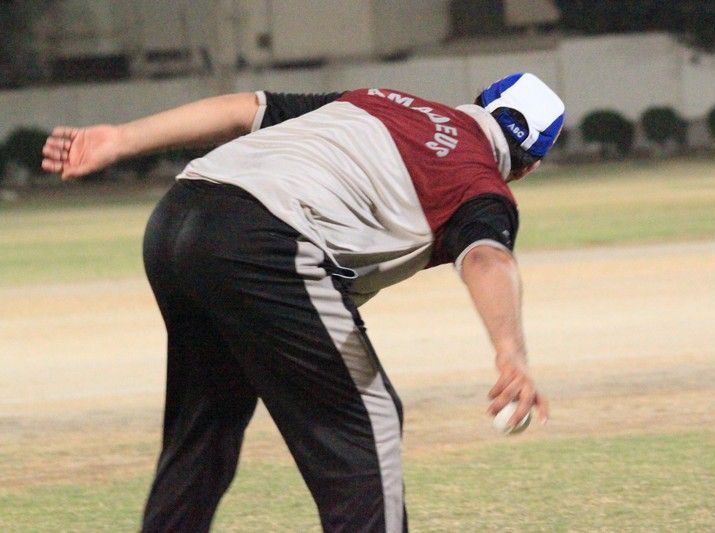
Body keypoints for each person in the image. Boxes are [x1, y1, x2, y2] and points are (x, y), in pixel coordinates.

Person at [41, 72, 563, 532]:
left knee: (208, 420)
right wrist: (511, 354)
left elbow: (244, 109)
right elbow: (486, 258)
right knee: (369, 424)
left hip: (179, 214)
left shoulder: (377, 99)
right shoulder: (481, 184)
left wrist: (121, 139)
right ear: (529, 167)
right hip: (263, 241)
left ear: (477, 100)